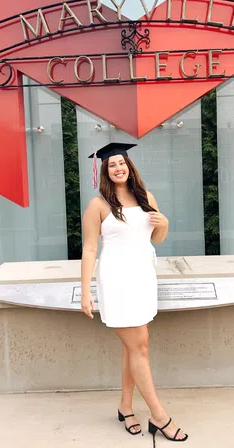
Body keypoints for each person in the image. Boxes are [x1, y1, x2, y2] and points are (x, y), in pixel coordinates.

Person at [80, 142, 188, 442]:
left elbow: (157, 238)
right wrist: (86, 290)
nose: (118, 168)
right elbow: (89, 249)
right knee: (139, 347)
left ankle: (126, 408)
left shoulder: (146, 198)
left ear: (129, 167)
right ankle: (159, 415)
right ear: (105, 170)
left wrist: (163, 222)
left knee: (135, 347)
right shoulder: (98, 205)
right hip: (116, 279)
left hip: (142, 277)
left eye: (121, 163)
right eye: (112, 165)